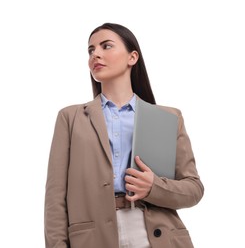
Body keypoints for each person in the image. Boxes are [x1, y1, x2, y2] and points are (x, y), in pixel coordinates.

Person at [44, 22, 204, 248]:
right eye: (91, 50)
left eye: (106, 46)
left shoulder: (168, 118)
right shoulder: (70, 118)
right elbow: (55, 198)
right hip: (92, 238)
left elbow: (193, 189)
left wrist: (153, 187)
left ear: (132, 57)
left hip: (158, 236)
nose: (95, 54)